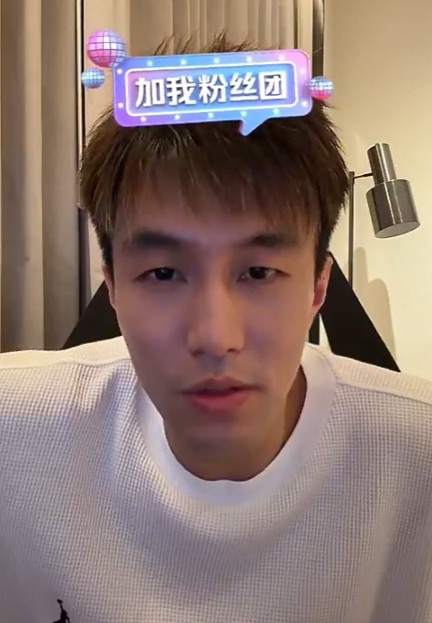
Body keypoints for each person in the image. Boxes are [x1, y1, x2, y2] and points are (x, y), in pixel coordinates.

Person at [1, 35, 431, 623]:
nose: (214, 336)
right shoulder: (19, 430)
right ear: (114, 288)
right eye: (163, 273)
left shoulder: (414, 455)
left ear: (318, 287)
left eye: (258, 272)